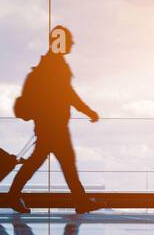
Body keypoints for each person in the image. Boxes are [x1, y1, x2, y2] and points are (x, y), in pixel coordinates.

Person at [7, 25, 102, 214]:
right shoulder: (56, 65)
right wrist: (88, 111)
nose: (73, 44)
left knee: (44, 161)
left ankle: (13, 195)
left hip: (47, 123)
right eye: (69, 40)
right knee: (65, 162)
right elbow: (68, 94)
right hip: (54, 124)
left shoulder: (49, 64)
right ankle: (81, 201)